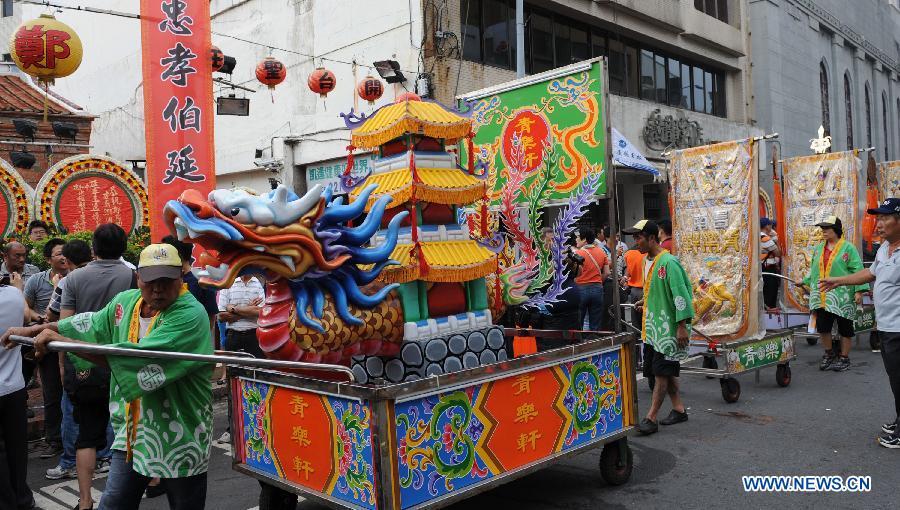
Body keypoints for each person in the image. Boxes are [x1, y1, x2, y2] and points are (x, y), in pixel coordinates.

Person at [2, 243, 214, 509]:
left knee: (185, 505)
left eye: (166, 280)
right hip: (134, 428)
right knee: (114, 503)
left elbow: (135, 358)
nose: (157, 288)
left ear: (181, 278)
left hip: (180, 432)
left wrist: (61, 340)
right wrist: (39, 328)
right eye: (150, 280)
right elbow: (90, 322)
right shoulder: (126, 303)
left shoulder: (189, 314)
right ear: (139, 278)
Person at [56, 225, 136, 509]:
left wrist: (63, 366)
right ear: (124, 246)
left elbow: (64, 326)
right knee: (126, 432)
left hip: (84, 364)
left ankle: (86, 499)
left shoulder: (73, 278)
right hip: (120, 362)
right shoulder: (131, 275)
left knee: (87, 434)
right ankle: (131, 490)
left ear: (94, 248)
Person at [820, 199, 900, 448]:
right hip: (887, 326)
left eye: (885, 218)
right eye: (878, 218)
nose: (879, 224)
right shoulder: (885, 249)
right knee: (895, 378)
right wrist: (840, 281)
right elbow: (870, 273)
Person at [626, 220, 694, 436]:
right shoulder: (648, 261)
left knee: (661, 374)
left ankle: (651, 417)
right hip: (654, 329)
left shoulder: (669, 262)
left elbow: (681, 295)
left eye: (639, 237)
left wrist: (682, 326)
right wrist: (644, 303)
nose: (635, 242)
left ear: (652, 238)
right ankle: (679, 409)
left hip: (668, 331)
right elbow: (658, 292)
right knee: (664, 370)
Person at [22, 238, 69, 460]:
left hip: (70, 341)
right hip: (47, 343)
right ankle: (54, 439)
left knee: (74, 392)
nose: (63, 258)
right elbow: (26, 308)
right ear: (48, 259)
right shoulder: (36, 281)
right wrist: (41, 320)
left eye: (65, 253)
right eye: (58, 254)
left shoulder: (74, 278)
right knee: (51, 392)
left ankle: (72, 438)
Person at [802, 217, 867, 372]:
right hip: (822, 295)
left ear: (836, 230)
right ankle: (829, 354)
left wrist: (859, 290)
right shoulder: (818, 249)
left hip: (842, 295)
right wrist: (803, 281)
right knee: (823, 327)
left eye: (827, 228)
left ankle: (844, 357)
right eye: (822, 228)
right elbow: (814, 271)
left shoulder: (848, 248)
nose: (823, 231)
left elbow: (857, 270)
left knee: (845, 328)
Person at [0, 280, 34, 509]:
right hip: (14, 386)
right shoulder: (14, 294)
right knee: (17, 447)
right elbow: (27, 318)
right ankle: (22, 496)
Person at [161, 235, 218, 339]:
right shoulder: (165, 281)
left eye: (166, 254)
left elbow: (211, 315)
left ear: (179, 255)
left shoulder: (202, 280)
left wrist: (200, 338)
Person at [569, 227, 609, 332]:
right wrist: (597, 281)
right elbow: (607, 272)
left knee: (579, 322)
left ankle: (580, 345)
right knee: (595, 323)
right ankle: (594, 344)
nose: (576, 240)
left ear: (585, 239)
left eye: (578, 237)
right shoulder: (602, 252)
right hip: (597, 289)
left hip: (580, 289)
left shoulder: (577, 254)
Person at [217, 274, 264, 358]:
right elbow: (221, 316)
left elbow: (260, 312)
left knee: (256, 369)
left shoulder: (257, 284)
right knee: (233, 370)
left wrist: (233, 309)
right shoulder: (228, 283)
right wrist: (249, 309)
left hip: (254, 336)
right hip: (233, 336)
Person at [760, 218, 782, 311]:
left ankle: (766, 309)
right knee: (771, 289)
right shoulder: (765, 238)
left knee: (766, 289)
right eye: (770, 225)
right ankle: (771, 310)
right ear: (767, 226)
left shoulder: (757, 236)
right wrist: (776, 240)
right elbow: (778, 253)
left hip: (762, 266)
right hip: (768, 267)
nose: (771, 227)